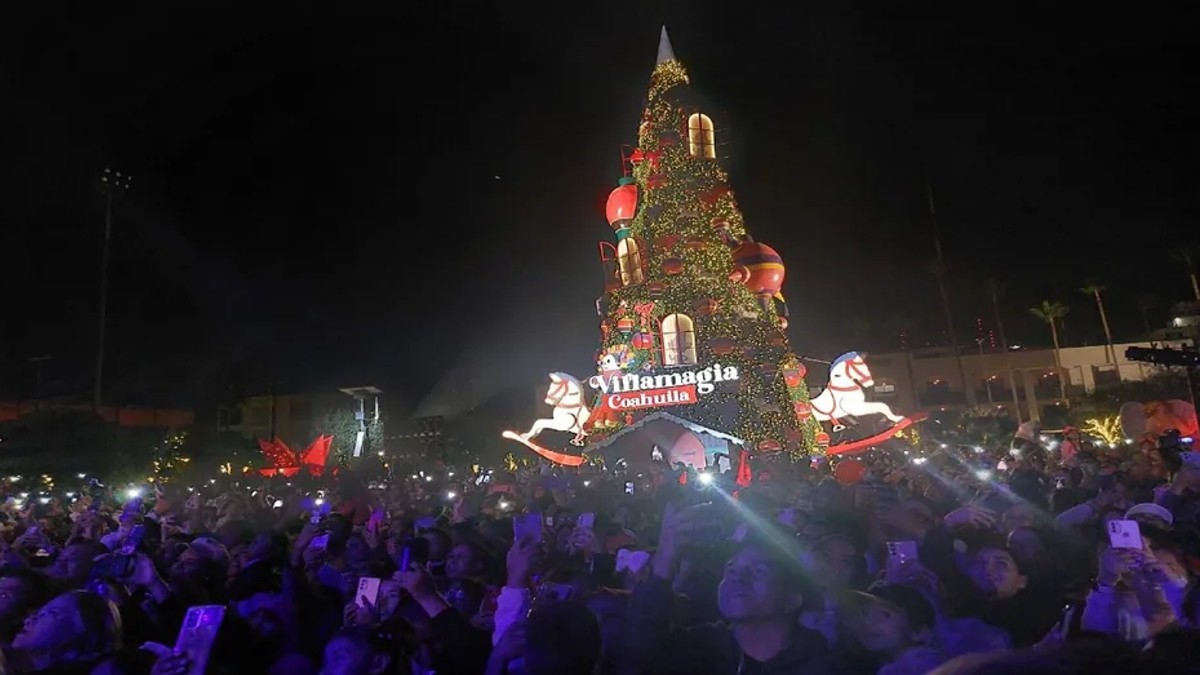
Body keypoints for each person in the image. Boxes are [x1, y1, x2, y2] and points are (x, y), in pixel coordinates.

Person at [625, 502, 837, 674]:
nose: (738, 578)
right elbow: (643, 656)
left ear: (792, 599)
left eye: (759, 571)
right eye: (731, 570)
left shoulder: (823, 664)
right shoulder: (704, 647)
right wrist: (664, 563)